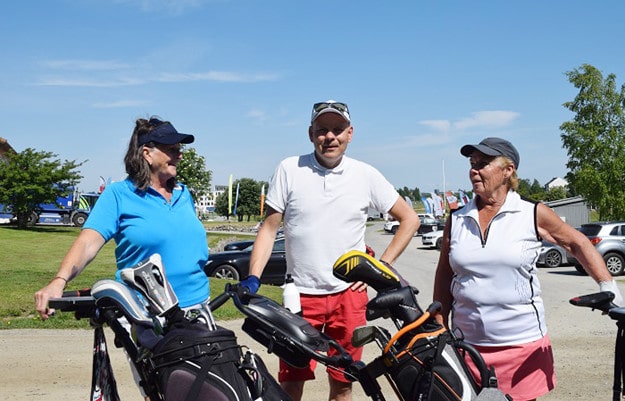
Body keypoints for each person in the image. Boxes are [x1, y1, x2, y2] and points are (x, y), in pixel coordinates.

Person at [238, 100, 420, 401]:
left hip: (348, 297)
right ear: (311, 134)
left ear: (350, 133)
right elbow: (269, 229)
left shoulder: (366, 175)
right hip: (300, 296)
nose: (330, 137)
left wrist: (381, 267)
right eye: (322, 130)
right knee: (291, 382)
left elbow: (409, 220)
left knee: (344, 382)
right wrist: (254, 277)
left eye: (338, 130)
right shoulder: (289, 169)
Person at [432, 137, 623, 401]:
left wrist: (609, 287)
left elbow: (578, 243)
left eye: (484, 163)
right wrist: (439, 324)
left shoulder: (531, 212)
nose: (474, 170)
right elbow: (445, 274)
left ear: (508, 171)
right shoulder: (457, 219)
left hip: (520, 346)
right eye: (472, 163)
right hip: (467, 345)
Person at [34, 116, 213, 398]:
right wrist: (59, 280)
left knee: (211, 391)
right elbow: (88, 243)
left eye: (180, 148)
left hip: (199, 312)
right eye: (172, 148)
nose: (179, 154)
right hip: (149, 318)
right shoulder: (119, 194)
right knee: (168, 392)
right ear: (146, 152)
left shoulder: (184, 193)